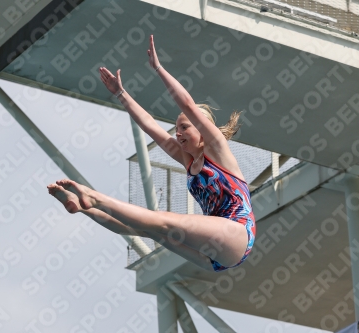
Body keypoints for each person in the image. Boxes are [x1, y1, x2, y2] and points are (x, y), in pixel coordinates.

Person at [47, 35, 256, 272]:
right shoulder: (187, 159)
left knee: (162, 220)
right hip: (212, 258)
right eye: (176, 129)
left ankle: (94, 198)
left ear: (201, 128)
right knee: (149, 229)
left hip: (236, 233)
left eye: (184, 127)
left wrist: (158, 68)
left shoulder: (218, 148)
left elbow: (187, 104)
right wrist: (121, 94)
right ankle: (86, 207)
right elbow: (149, 124)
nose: (177, 134)